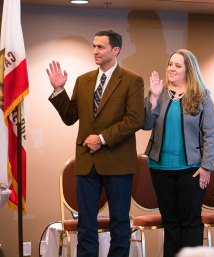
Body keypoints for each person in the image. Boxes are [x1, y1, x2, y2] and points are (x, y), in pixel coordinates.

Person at [46, 30, 144, 257]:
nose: (95, 51)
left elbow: (135, 119)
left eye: (100, 47)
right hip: (87, 162)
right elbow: (70, 117)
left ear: (115, 50)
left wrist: (102, 139)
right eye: (93, 46)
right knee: (86, 223)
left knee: (120, 222)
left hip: (118, 163)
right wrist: (59, 90)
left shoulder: (132, 80)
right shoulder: (83, 80)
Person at [143, 49, 214, 257]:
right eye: (170, 64)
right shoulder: (159, 93)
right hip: (160, 168)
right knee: (170, 223)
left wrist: (206, 167)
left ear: (188, 70)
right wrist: (153, 99)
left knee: (191, 222)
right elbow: (146, 124)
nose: (171, 69)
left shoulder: (202, 96)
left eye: (177, 65)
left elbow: (211, 134)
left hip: (192, 169)